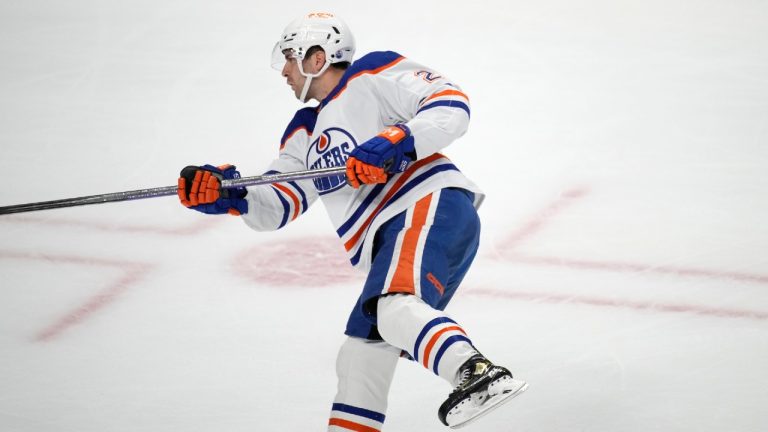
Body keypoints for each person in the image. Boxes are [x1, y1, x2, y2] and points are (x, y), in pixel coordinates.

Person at [177, 12, 528, 430]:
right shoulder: (305, 131)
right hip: (393, 235)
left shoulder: (371, 73)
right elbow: (280, 199)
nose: (285, 70)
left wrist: (396, 140)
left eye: (291, 57)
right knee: (362, 351)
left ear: (318, 56)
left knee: (393, 308)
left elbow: (451, 103)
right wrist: (230, 194)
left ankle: (476, 373)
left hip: (425, 206)